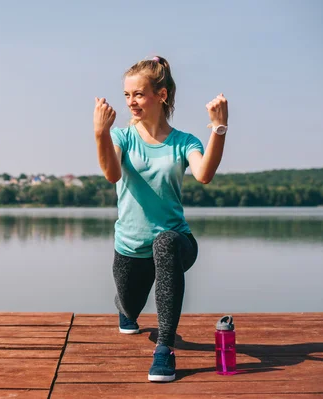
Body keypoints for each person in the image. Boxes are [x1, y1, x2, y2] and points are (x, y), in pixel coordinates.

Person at [93, 55, 228, 382]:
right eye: (127, 95)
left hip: (177, 241)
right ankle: (124, 307)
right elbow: (112, 175)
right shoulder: (122, 137)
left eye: (138, 94)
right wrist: (100, 132)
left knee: (165, 243)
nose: (131, 102)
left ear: (161, 95)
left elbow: (204, 174)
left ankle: (164, 350)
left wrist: (219, 129)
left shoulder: (184, 141)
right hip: (130, 248)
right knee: (130, 308)